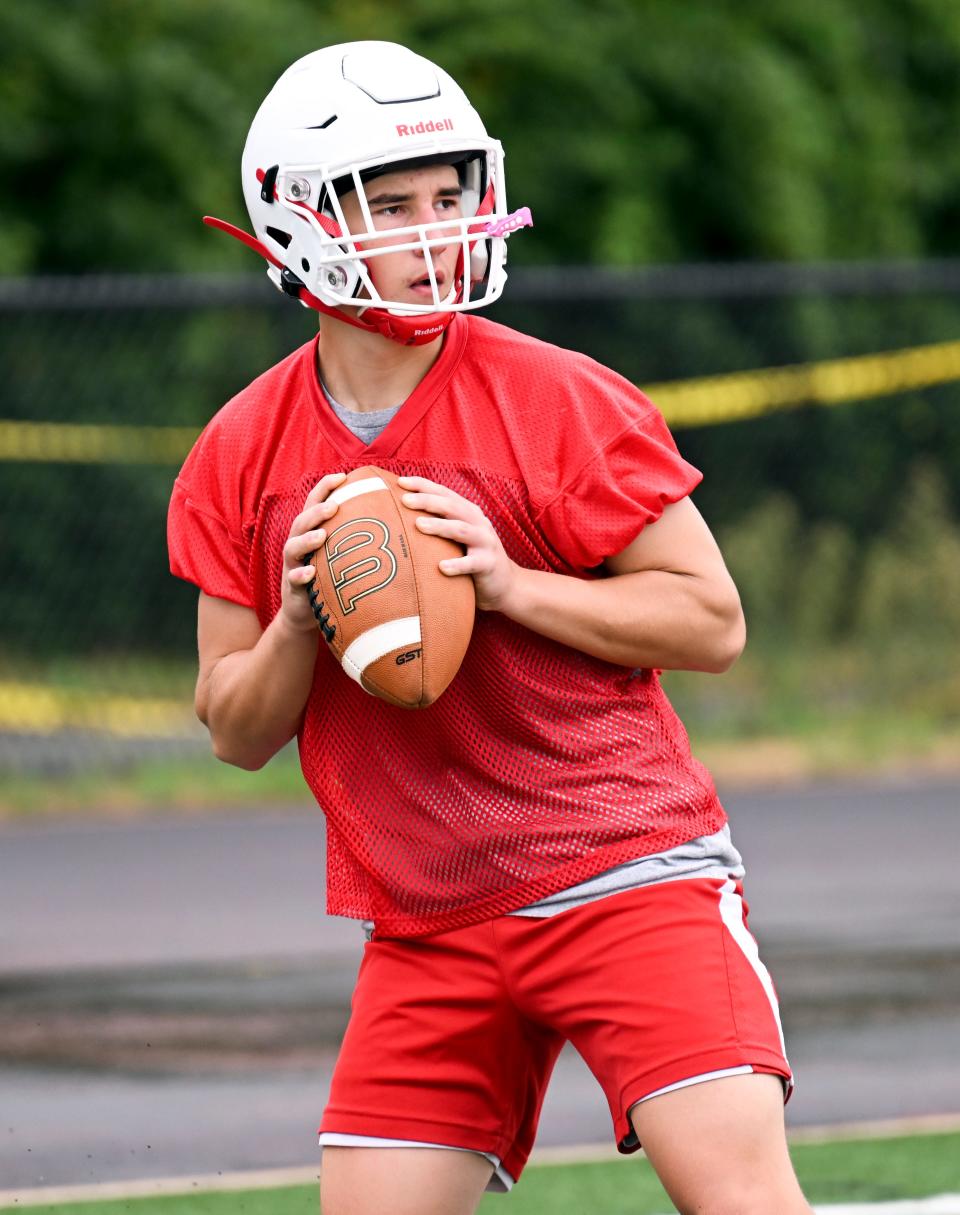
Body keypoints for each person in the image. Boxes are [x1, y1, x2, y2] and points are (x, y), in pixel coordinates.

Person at [167, 40, 813, 1215]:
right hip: (427, 919)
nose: (439, 231)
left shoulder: (558, 395)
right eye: (394, 205)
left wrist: (510, 585)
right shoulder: (239, 453)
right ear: (297, 220)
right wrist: (301, 624)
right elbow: (232, 730)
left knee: (743, 1205)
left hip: (624, 873)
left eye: (452, 197)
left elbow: (711, 621)